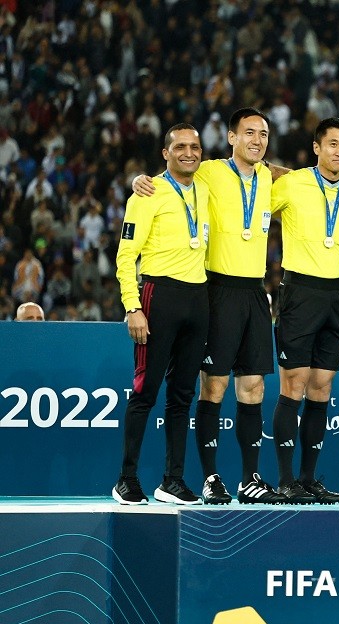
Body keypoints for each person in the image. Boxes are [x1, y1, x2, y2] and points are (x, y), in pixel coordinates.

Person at [134, 108, 283, 505]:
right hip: (215, 289)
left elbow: (298, 178)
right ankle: (211, 477)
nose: (257, 140)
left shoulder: (269, 176)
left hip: (255, 292)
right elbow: (173, 171)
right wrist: (138, 180)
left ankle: (250, 477)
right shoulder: (210, 171)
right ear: (231, 137)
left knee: (253, 385)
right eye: (249, 133)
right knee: (213, 385)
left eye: (263, 134)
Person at [112, 123, 210, 505]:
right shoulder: (147, 192)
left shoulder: (206, 187)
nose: (189, 152)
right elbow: (125, 255)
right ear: (165, 153)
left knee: (183, 394)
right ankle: (126, 479)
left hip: (198, 297)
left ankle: (172, 480)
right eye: (180, 147)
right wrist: (132, 306)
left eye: (195, 146)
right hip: (159, 294)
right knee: (145, 390)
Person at [268, 117, 339, 505]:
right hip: (300, 291)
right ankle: (286, 479)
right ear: (316, 148)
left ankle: (308, 479)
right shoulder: (290, 184)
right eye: (332, 144)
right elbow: (251, 191)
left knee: (322, 388)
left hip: (338, 294)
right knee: (293, 385)